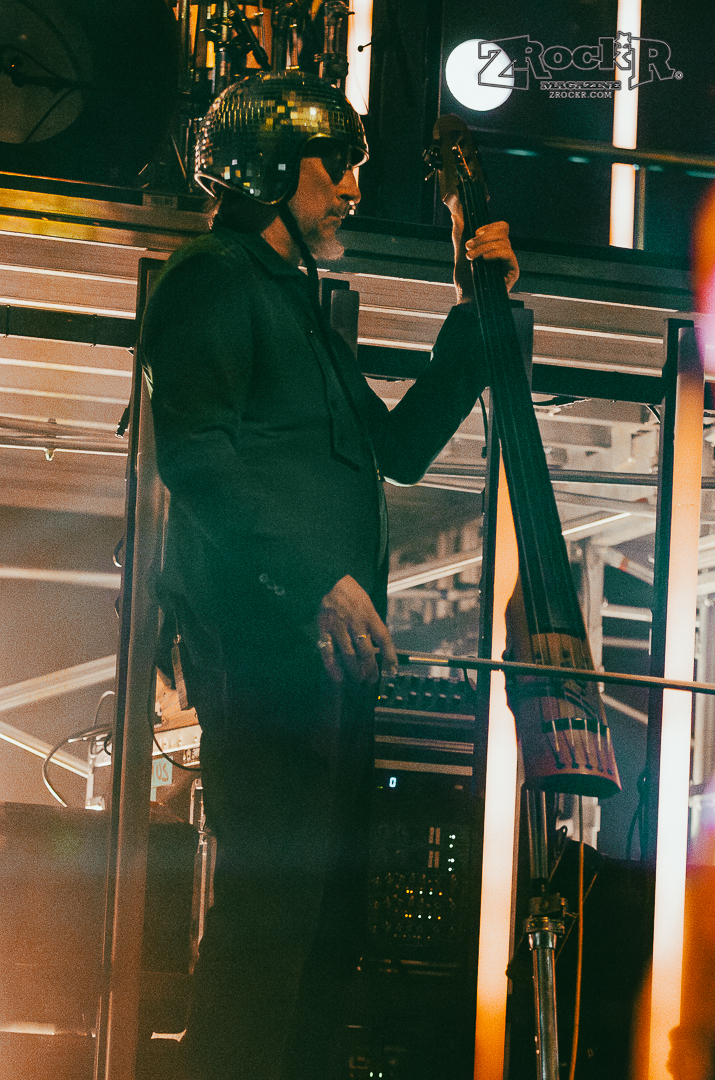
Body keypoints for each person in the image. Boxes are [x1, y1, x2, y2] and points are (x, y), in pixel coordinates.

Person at [140, 70, 519, 1080]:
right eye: (334, 166)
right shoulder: (213, 278)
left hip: (321, 664)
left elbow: (397, 449)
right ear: (268, 169)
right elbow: (197, 457)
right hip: (268, 653)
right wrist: (316, 578)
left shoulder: (296, 304)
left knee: (319, 927)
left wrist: (478, 314)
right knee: (271, 921)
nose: (351, 188)